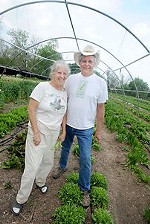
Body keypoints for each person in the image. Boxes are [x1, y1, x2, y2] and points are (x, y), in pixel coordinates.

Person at [11, 60, 70, 215]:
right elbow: (31, 109)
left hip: (53, 134)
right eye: (59, 72)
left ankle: (40, 182)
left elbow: (63, 113)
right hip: (39, 132)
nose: (62, 76)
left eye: (65, 74)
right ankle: (20, 199)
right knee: (32, 167)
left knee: (48, 162)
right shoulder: (42, 87)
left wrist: (63, 131)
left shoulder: (64, 92)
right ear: (53, 73)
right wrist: (36, 132)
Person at [52, 45, 108, 207]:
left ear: (94, 63)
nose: (87, 64)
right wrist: (61, 124)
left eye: (90, 61)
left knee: (85, 158)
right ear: (80, 62)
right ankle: (62, 167)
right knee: (65, 147)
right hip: (69, 123)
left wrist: (98, 130)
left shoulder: (100, 83)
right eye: (84, 61)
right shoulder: (71, 79)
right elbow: (64, 100)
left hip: (86, 128)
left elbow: (100, 108)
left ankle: (84, 188)